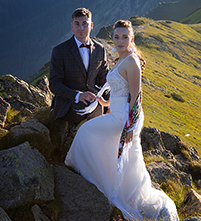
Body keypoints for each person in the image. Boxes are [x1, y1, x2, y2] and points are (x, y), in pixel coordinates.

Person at [65, 20, 179, 220]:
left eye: (124, 37)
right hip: (118, 112)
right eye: (116, 37)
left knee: (86, 131)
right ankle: (110, 182)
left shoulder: (132, 61)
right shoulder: (121, 60)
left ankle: (93, 178)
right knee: (125, 158)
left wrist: (130, 127)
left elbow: (136, 96)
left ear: (131, 39)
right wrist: (104, 103)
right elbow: (121, 93)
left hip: (125, 118)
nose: (120, 41)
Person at [49, 7, 109, 156]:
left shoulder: (100, 49)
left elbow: (105, 81)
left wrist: (109, 101)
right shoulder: (59, 51)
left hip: (94, 101)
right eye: (77, 24)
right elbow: (54, 84)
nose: (81, 28)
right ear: (72, 26)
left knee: (105, 116)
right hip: (68, 103)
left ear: (91, 25)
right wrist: (77, 95)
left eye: (84, 23)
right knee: (94, 122)